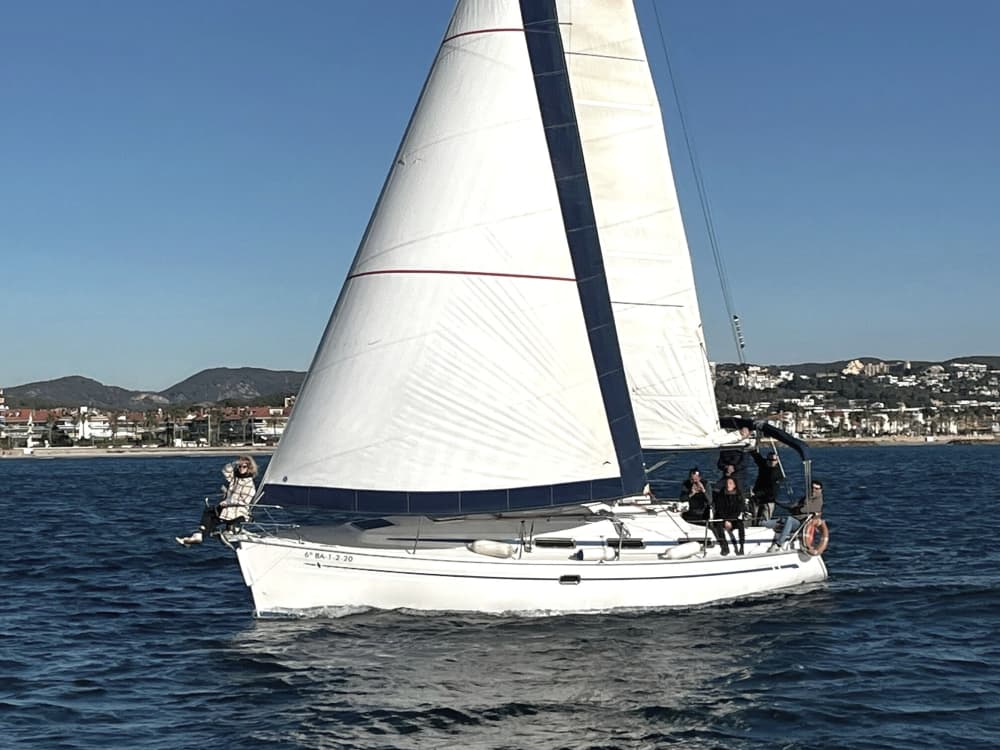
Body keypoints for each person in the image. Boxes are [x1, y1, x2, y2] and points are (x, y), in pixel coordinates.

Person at [176, 455, 258, 545]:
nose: (241, 468)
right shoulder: (235, 479)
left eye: (244, 466)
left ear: (249, 468)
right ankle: (198, 535)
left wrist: (228, 502)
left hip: (238, 512)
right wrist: (235, 462)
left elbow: (244, 501)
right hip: (227, 509)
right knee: (209, 514)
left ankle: (200, 535)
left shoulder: (249, 484)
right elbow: (226, 471)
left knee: (211, 517)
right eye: (240, 466)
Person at [765, 479, 824, 552]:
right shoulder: (806, 497)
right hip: (796, 519)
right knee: (773, 522)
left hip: (802, 525)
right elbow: (794, 506)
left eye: (816, 489)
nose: (813, 490)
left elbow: (804, 509)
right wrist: (778, 502)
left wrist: (796, 508)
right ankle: (761, 525)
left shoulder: (818, 501)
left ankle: (778, 544)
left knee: (789, 520)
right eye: (812, 488)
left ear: (820, 490)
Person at [713, 476, 745, 555]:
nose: (728, 485)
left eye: (730, 483)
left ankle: (741, 546)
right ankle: (724, 546)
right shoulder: (721, 495)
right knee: (718, 525)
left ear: (734, 485)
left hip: (733, 518)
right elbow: (719, 509)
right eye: (727, 483)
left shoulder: (738, 496)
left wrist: (730, 520)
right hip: (722, 518)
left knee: (741, 524)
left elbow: (739, 509)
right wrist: (726, 520)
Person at [750, 448, 783, 523]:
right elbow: (757, 458)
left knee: (765, 521)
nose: (771, 462)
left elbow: (772, 490)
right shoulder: (764, 465)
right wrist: (752, 450)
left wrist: (758, 494)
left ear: (777, 461)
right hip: (757, 498)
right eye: (769, 459)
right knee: (754, 519)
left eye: (773, 460)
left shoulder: (776, 474)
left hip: (768, 500)